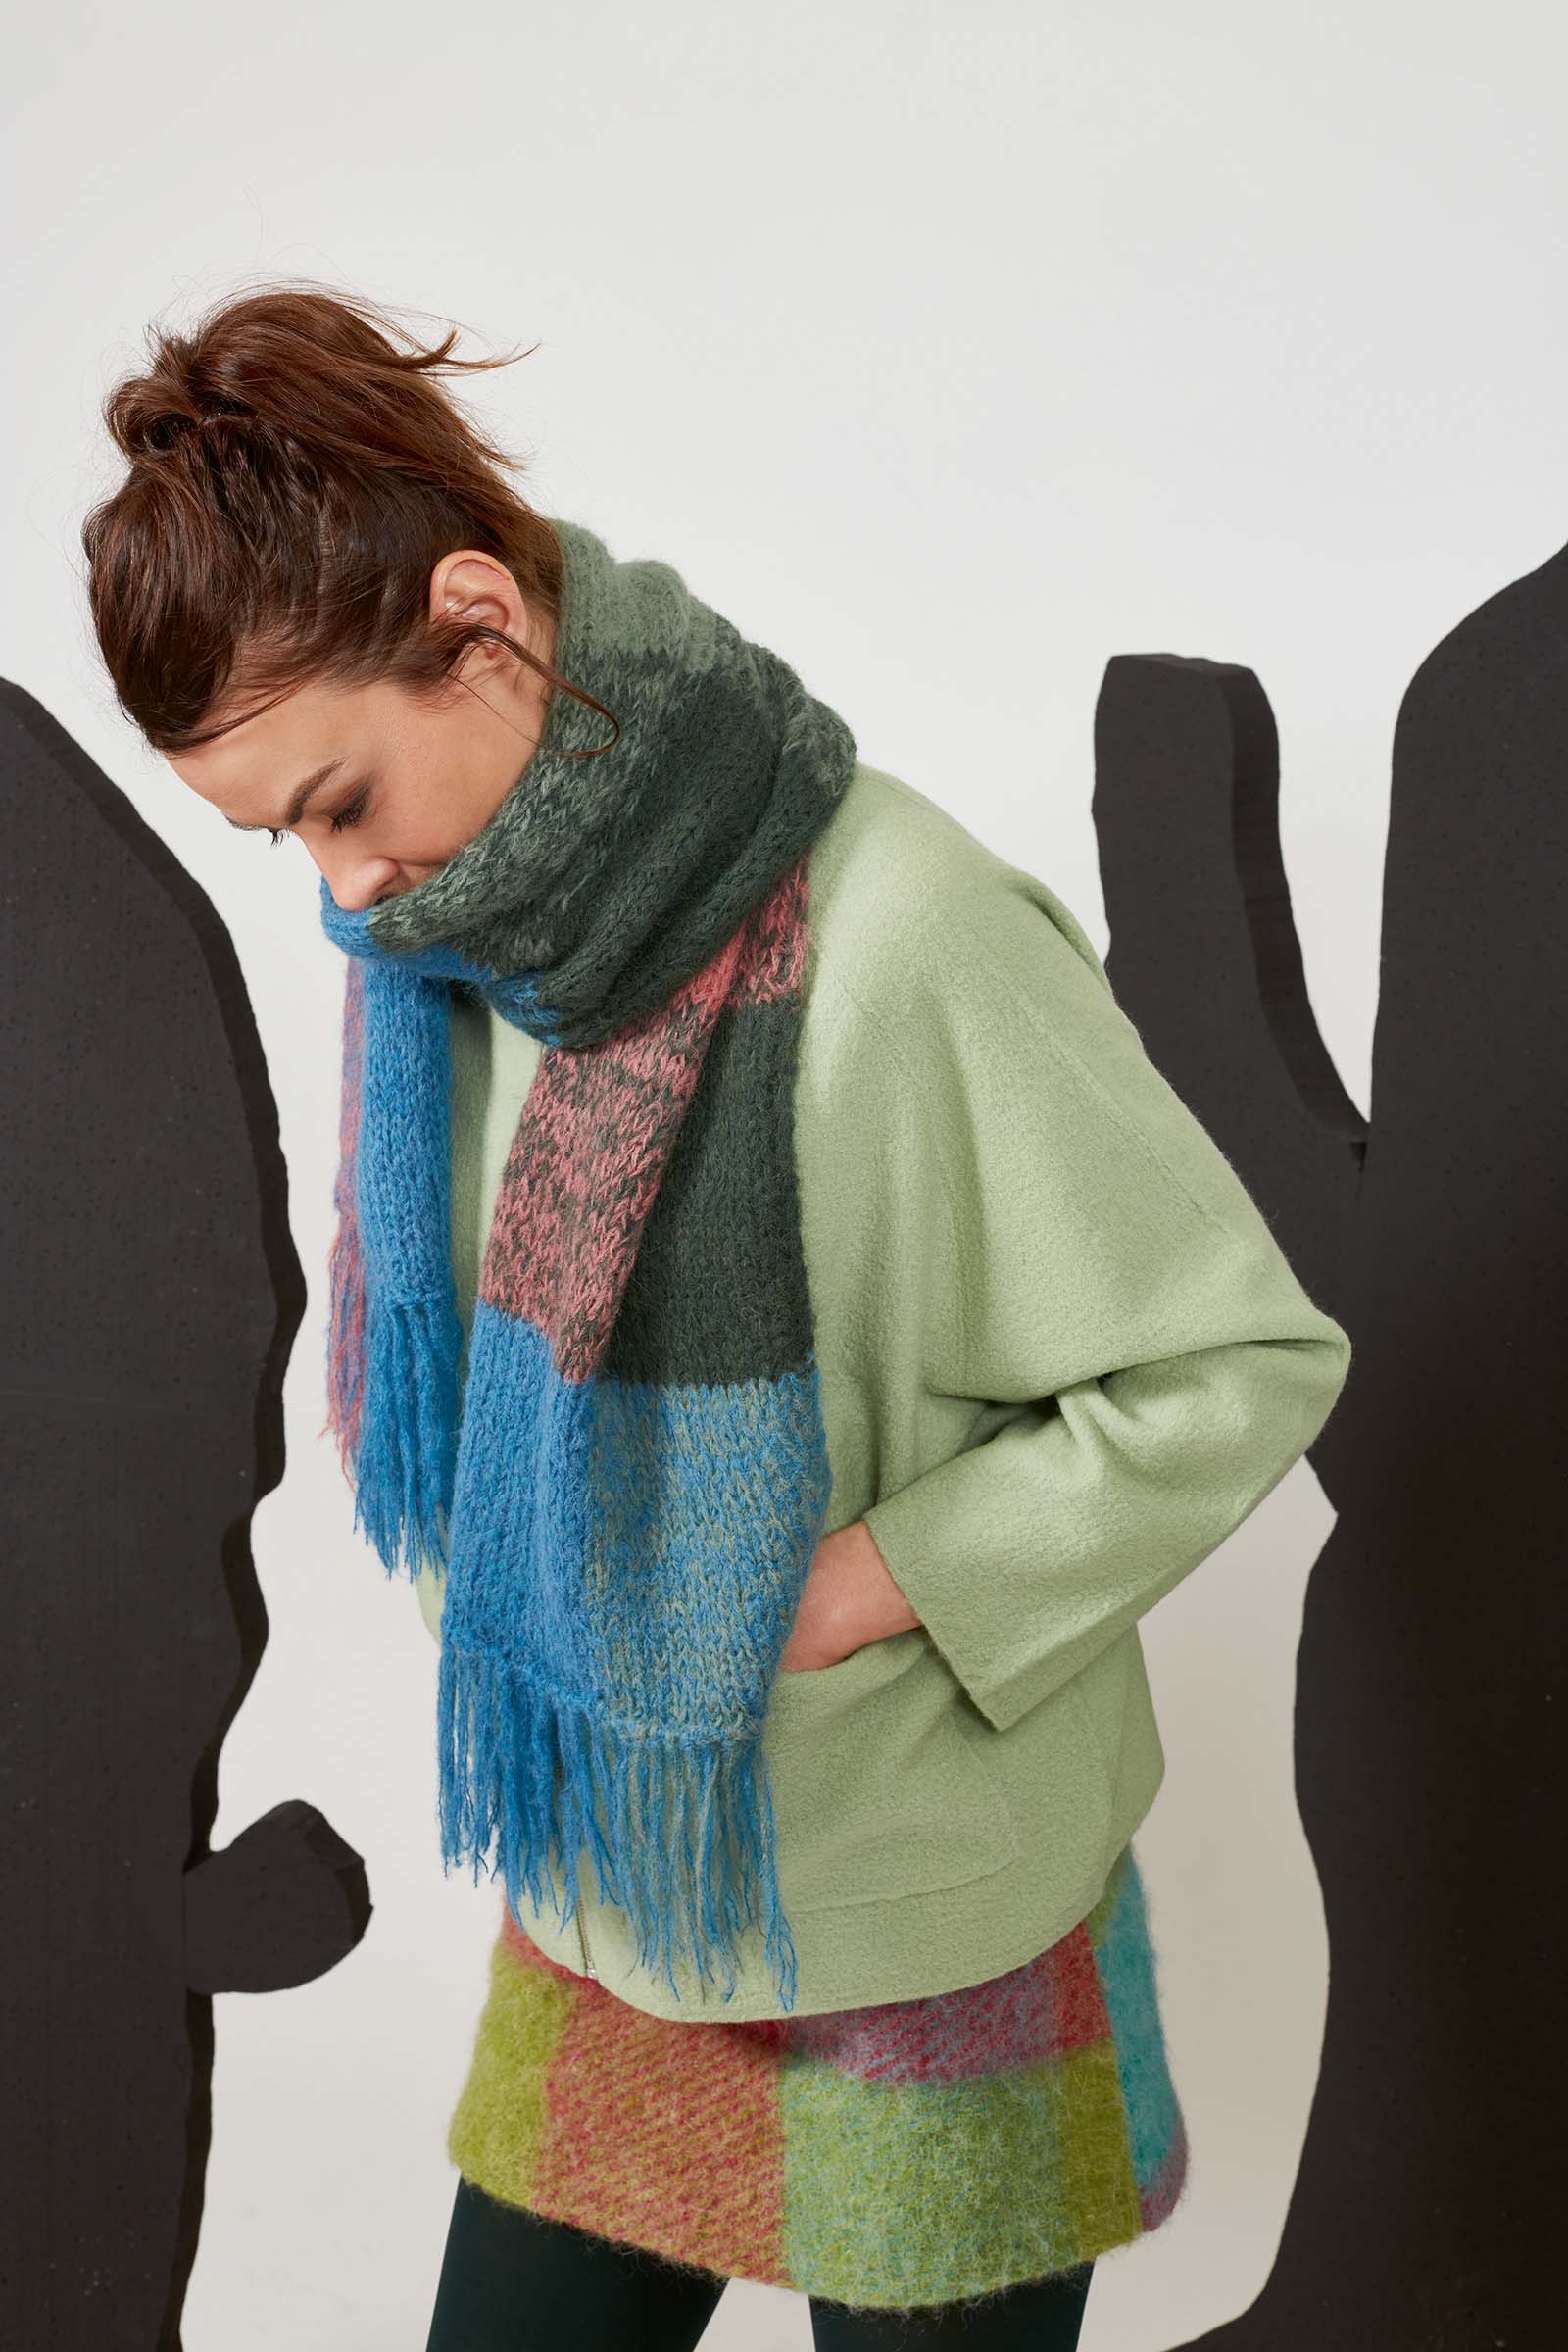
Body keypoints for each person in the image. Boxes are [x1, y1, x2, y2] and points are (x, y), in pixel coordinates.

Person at [82, 282, 1353, 2350]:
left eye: (336, 798)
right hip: (614, 1888)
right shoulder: (454, 955)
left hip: (923, 1911)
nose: (338, 889)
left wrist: (860, 1587)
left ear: (480, 624)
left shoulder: (911, 940)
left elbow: (1238, 1363)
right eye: (279, 839)